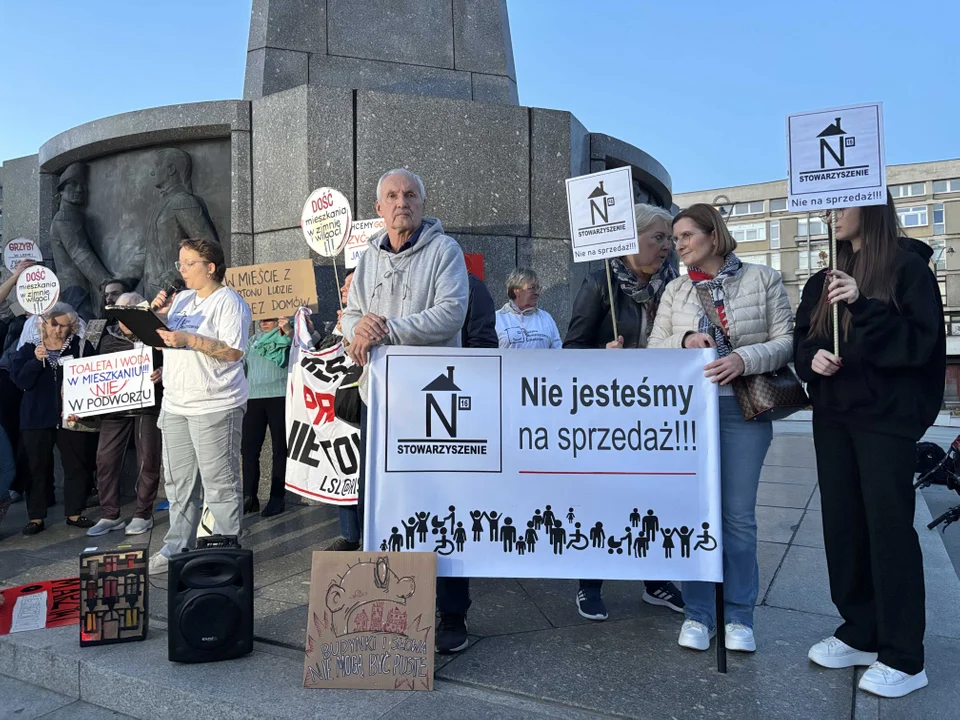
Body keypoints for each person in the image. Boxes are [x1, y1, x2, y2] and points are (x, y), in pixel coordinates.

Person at [795, 196, 943, 699]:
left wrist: (861, 302)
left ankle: (904, 656)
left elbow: (919, 345)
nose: (830, 216)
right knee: (844, 527)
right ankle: (860, 630)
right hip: (834, 417)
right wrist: (812, 360)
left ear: (871, 207)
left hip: (885, 420)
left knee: (888, 530)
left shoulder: (907, 268)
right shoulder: (822, 277)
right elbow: (804, 340)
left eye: (840, 206)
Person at [648, 203, 793, 654]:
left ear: (714, 235)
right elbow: (654, 348)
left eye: (687, 235)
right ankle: (698, 613)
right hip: (688, 415)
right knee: (695, 513)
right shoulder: (675, 289)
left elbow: (787, 341)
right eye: (675, 239)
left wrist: (743, 359)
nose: (679, 245)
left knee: (737, 516)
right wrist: (685, 341)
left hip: (743, 411)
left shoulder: (762, 279)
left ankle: (739, 615)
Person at [341, 168, 469, 653]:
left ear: (422, 201)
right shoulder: (368, 257)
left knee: (442, 506)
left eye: (410, 194)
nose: (402, 203)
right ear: (379, 208)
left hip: (432, 405)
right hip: (381, 401)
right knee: (382, 506)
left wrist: (385, 329)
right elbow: (353, 313)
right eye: (392, 196)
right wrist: (358, 329)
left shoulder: (445, 251)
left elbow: (450, 314)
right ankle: (389, 601)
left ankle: (452, 611)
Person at [565, 202, 685, 621]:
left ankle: (655, 581)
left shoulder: (676, 286)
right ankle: (590, 584)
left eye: (670, 238)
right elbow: (571, 349)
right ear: (630, 239)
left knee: (655, 498)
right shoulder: (600, 283)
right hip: (608, 418)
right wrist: (604, 354)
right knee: (602, 499)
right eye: (659, 237)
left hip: (658, 416)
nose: (667, 246)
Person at [147, 237, 251, 575]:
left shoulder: (230, 303)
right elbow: (169, 344)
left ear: (211, 267)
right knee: (178, 485)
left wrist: (189, 339)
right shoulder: (181, 301)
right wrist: (150, 319)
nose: (182, 270)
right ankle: (177, 546)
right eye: (180, 263)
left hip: (215, 404)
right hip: (176, 403)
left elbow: (233, 352)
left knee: (219, 483)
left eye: (189, 263)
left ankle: (226, 549)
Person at [11, 303, 97, 534]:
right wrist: (35, 362)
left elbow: (93, 378)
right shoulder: (30, 349)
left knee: (76, 464)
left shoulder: (81, 346)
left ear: (72, 327)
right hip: (36, 418)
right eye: (53, 323)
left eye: (63, 325)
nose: (57, 329)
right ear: (44, 324)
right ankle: (36, 517)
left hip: (70, 415)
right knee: (36, 466)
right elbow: (20, 381)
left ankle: (74, 512)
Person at [84, 292, 164, 537]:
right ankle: (109, 514)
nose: (124, 320)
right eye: (120, 315)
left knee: (147, 458)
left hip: (147, 405)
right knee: (105, 459)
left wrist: (163, 369)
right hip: (113, 406)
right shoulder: (100, 334)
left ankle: (142, 513)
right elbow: (85, 365)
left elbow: (175, 357)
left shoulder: (154, 332)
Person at [142, 148, 220, 301]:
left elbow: (209, 245)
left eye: (157, 165)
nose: (152, 172)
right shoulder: (160, 205)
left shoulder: (182, 201)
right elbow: (145, 253)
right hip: (154, 296)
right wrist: (121, 280)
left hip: (176, 294)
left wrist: (176, 273)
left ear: (171, 169)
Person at [242, 315, 292, 518]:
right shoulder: (251, 341)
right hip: (253, 397)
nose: (264, 322)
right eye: (261, 318)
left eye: (269, 318)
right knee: (248, 449)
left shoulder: (289, 336)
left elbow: (309, 344)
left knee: (280, 449)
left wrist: (288, 330)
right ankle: (249, 497)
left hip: (280, 396)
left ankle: (277, 498)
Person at [495, 268, 562, 349]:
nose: (537, 292)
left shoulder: (546, 318)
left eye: (538, 288)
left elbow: (558, 351)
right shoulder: (497, 319)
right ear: (517, 290)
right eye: (532, 288)